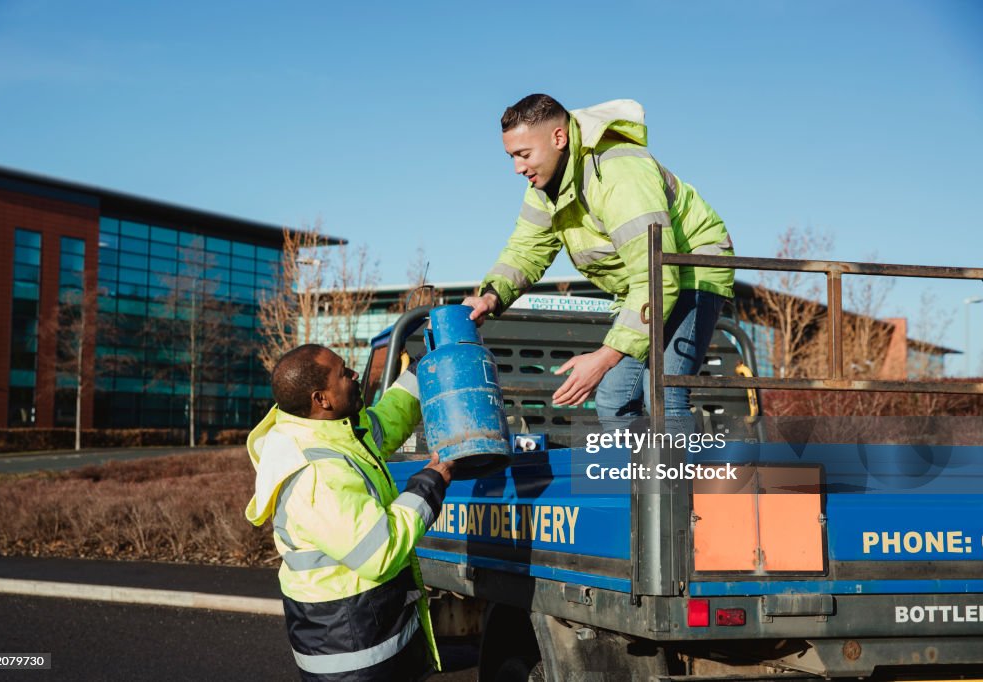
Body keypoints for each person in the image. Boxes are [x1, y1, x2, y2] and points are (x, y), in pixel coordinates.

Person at [463, 94, 735, 422]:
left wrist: (604, 357)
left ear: (558, 138)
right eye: (511, 157)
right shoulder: (544, 190)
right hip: (648, 286)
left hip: (694, 270)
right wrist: (490, 297)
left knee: (662, 392)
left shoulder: (618, 174)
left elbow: (659, 276)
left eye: (523, 155)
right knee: (614, 399)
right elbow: (525, 250)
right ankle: (634, 474)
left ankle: (671, 475)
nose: (518, 168)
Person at [245, 344, 454, 681]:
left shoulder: (333, 430)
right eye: (343, 373)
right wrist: (430, 483)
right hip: (352, 654)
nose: (355, 374)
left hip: (363, 635)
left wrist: (420, 370)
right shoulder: (314, 472)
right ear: (321, 399)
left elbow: (387, 420)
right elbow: (379, 550)